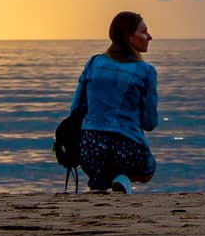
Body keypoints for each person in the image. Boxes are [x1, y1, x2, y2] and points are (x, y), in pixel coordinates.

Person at [67, 11, 159, 194]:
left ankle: (100, 183)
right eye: (144, 32)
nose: (150, 37)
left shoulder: (94, 63)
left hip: (90, 150)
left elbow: (76, 110)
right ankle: (123, 179)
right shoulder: (146, 71)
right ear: (129, 37)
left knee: (101, 165)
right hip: (128, 150)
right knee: (148, 167)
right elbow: (149, 123)